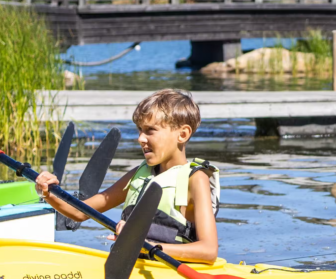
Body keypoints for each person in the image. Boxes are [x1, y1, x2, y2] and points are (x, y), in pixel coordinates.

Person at [35, 89, 220, 261]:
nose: (140, 138)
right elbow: (79, 212)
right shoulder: (139, 175)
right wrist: (47, 192)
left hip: (173, 275)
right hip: (131, 268)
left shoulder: (195, 179)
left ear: (182, 134)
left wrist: (144, 245)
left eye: (150, 131)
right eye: (140, 130)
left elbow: (208, 251)